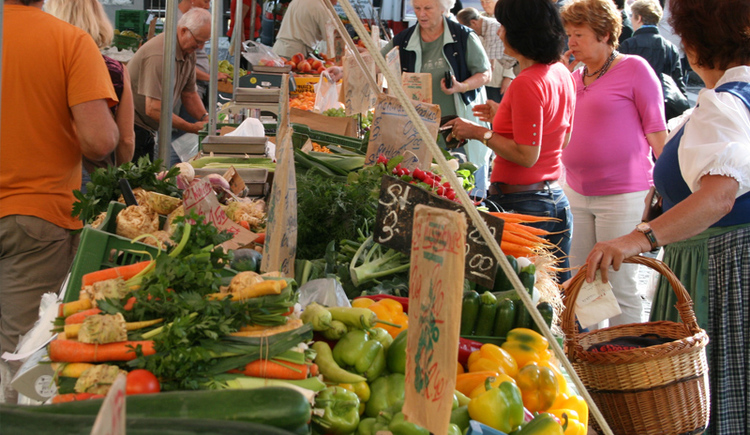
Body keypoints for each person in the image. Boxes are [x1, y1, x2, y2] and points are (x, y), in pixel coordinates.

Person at [584, 1, 750, 432]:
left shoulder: (723, 106)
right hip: (731, 264)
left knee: (711, 400)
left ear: (695, 44)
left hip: (719, 269)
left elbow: (719, 197)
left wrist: (638, 237)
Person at [1, 0, 118, 403]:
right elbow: (99, 142)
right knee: (18, 357)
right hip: (32, 217)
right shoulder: (68, 41)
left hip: (29, 217)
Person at [445, 0, 575, 284]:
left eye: (505, 26)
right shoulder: (561, 73)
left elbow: (527, 155)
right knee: (554, 297)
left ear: (522, 33)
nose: (500, 33)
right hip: (553, 199)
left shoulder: (527, 82)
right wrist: (503, 116)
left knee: (522, 296)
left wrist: (479, 132)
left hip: (523, 206)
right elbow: (561, 138)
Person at [560, 0, 666, 326]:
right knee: (584, 284)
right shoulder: (574, 77)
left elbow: (657, 132)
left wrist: (668, 186)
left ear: (605, 35)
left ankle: (630, 359)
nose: (571, 42)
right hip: (576, 191)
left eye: (579, 34)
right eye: (569, 34)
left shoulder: (634, 68)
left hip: (623, 194)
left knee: (621, 285)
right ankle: (593, 361)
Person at [382, 0, 492, 196]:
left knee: (466, 183)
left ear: (444, 8)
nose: (421, 14)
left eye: (428, 8)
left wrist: (461, 86)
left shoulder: (463, 37)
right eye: (417, 8)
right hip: (421, 129)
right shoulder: (405, 39)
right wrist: (343, 68)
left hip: (459, 127)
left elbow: (485, 74)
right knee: (430, 187)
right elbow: (377, 59)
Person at [44, 0, 135, 186]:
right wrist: (120, 179)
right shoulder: (116, 70)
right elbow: (127, 139)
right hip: (98, 176)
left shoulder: (45, 65)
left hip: (53, 173)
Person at [127, 8, 212, 162]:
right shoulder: (159, 55)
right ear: (184, 31)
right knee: (134, 181)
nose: (200, 47)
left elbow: (189, 94)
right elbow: (153, 108)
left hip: (149, 128)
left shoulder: (189, 52)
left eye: (204, 42)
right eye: (198, 41)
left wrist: (205, 118)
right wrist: (190, 127)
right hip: (132, 127)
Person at [619, 0, 687, 120]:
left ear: (639, 18)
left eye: (632, 17)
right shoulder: (670, 47)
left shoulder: (628, 45)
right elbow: (678, 85)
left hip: (633, 108)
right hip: (663, 109)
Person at [456, 7, 517, 103]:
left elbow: (488, 65)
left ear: (473, 23)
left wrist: (473, 82)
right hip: (512, 68)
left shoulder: (492, 29)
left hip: (517, 67)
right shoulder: (486, 26)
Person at [272, 0, 336, 59]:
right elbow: (331, 37)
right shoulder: (321, 7)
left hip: (278, 50)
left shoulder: (298, 1)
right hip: (296, 54)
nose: (336, 3)